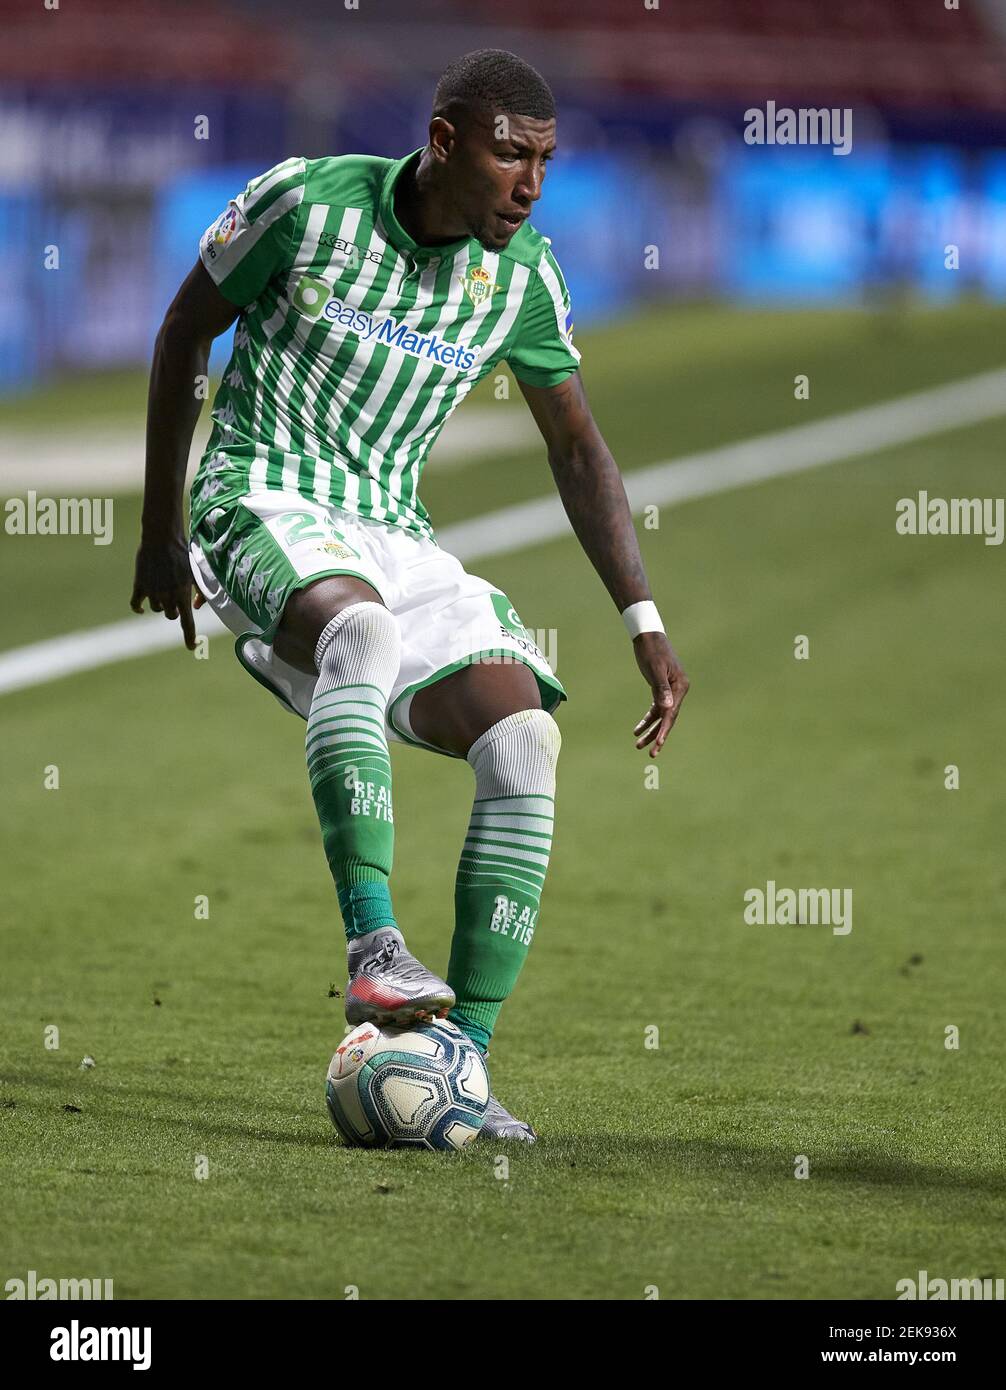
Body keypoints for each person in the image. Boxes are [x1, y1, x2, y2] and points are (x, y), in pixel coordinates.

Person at [131, 49, 689, 1143]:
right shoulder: (305, 206)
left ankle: (462, 1061)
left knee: (526, 738)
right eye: (508, 154)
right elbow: (182, 331)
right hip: (263, 489)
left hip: (395, 528)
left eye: (545, 160)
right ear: (442, 142)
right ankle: (375, 950)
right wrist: (159, 530)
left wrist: (645, 621)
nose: (530, 184)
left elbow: (579, 451)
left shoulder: (524, 277)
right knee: (363, 629)